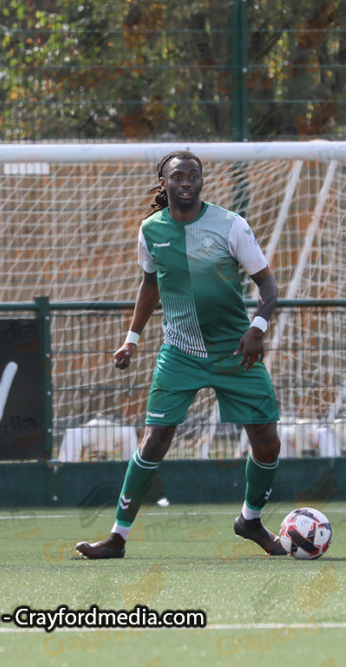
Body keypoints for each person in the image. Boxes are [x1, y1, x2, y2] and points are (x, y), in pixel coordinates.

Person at [75, 151, 287, 559]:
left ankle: (250, 520)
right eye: (178, 175)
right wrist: (131, 339)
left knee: (267, 442)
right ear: (164, 182)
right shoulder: (151, 230)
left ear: (202, 181)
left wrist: (256, 330)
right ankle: (117, 538)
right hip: (181, 351)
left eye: (194, 175)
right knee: (154, 440)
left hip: (234, 351)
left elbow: (269, 288)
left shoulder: (231, 225)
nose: (187, 180)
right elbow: (150, 285)